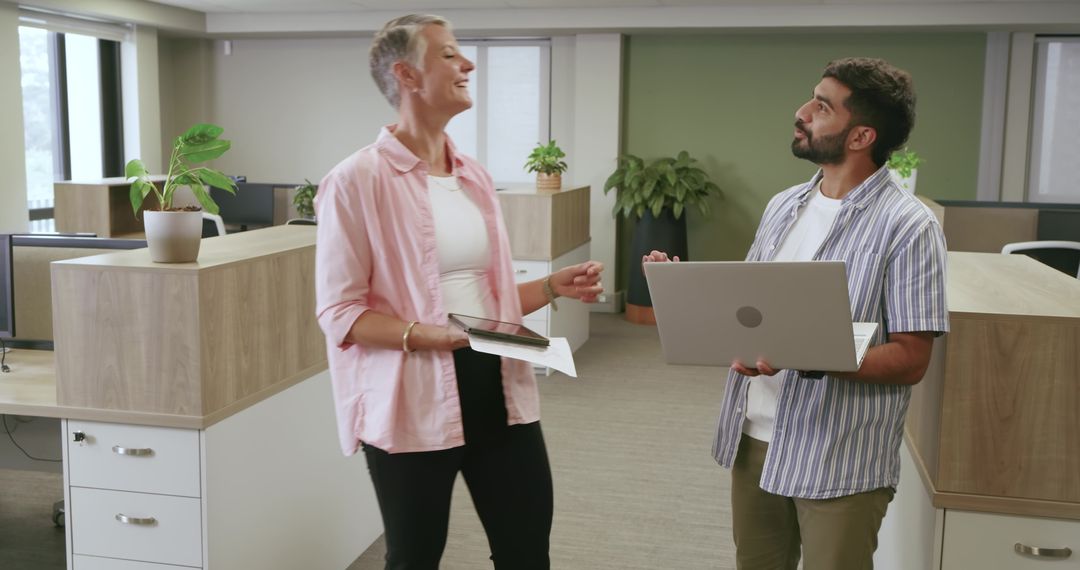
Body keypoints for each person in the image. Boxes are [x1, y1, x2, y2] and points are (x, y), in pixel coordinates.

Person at [313, 14, 604, 570]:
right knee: (415, 557)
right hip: (412, 400)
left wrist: (550, 286)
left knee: (526, 552)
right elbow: (339, 312)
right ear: (406, 75)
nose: (466, 64)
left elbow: (487, 302)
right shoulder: (355, 180)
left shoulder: (473, 176)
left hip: (499, 386)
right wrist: (432, 336)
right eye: (448, 54)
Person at [646, 58, 948, 569]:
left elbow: (911, 359)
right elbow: (751, 314)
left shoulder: (910, 226)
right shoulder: (783, 206)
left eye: (822, 107)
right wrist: (686, 293)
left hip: (839, 454)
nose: (802, 112)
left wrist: (804, 352)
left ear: (861, 137)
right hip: (755, 437)